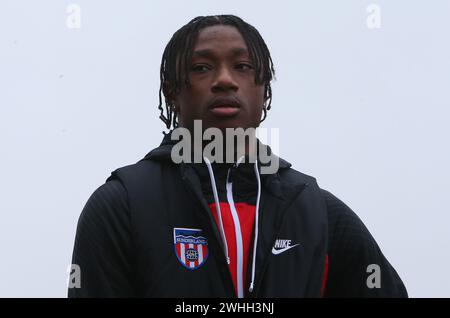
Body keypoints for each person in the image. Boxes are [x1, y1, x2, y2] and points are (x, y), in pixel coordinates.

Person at [68, 14, 407, 298]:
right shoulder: (122, 204)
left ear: (264, 89)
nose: (225, 80)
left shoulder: (319, 213)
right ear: (172, 91)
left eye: (242, 66)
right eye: (201, 67)